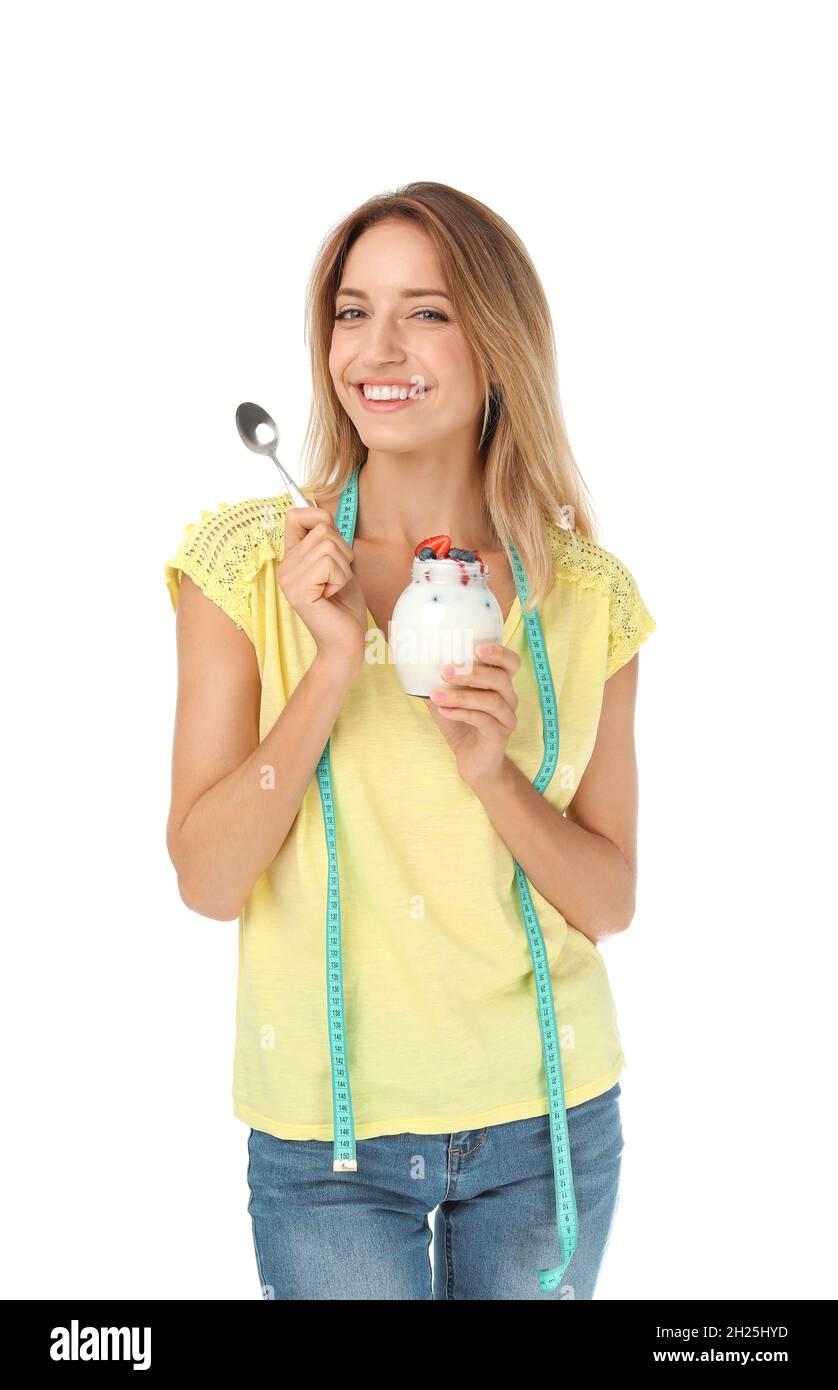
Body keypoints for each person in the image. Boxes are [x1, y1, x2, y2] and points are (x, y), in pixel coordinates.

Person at [163, 181, 656, 1300]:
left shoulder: (582, 598)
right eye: (351, 311)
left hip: (550, 1123)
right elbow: (206, 875)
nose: (375, 348)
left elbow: (608, 900)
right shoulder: (244, 569)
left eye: (424, 312)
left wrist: (492, 773)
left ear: (498, 344)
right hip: (327, 1145)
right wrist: (332, 663)